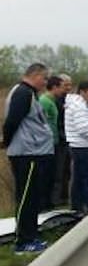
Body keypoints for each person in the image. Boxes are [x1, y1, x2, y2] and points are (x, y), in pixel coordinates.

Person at [2, 63, 54, 253]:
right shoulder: (23, 93)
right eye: (45, 78)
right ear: (35, 75)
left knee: (32, 198)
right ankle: (23, 242)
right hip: (26, 154)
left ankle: (31, 235)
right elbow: (12, 121)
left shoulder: (29, 94)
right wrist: (6, 142)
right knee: (26, 197)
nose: (46, 82)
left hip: (34, 152)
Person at [66, 82, 88, 215]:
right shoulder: (79, 106)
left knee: (78, 179)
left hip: (77, 146)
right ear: (82, 92)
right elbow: (83, 129)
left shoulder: (74, 104)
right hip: (85, 147)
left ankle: (77, 208)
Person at [39, 76, 65, 209]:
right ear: (54, 87)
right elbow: (40, 123)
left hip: (54, 143)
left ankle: (49, 203)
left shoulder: (52, 101)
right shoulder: (44, 101)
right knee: (45, 176)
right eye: (61, 87)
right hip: (46, 145)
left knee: (53, 174)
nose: (63, 90)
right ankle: (43, 205)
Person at [53, 74, 73, 205]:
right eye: (65, 85)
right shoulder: (55, 100)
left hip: (68, 140)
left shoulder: (69, 100)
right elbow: (56, 122)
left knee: (67, 171)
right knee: (58, 172)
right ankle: (55, 200)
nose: (68, 88)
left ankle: (65, 198)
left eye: (70, 85)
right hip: (59, 141)